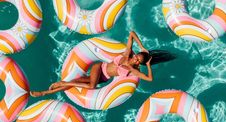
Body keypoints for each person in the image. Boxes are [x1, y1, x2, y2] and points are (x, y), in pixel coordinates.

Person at [30, 31, 176, 97]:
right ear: (136, 54)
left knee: (73, 83)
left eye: (139, 61)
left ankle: (44, 92)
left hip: (102, 78)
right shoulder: (127, 54)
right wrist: (143, 47)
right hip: (98, 67)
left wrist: (149, 65)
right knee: (91, 87)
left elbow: (149, 79)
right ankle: (57, 84)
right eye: (137, 57)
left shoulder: (134, 71)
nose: (136, 60)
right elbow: (131, 33)